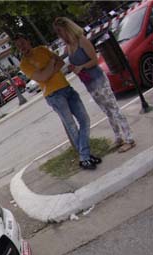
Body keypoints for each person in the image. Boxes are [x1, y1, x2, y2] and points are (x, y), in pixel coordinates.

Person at [14, 35, 101, 170]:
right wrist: (51, 63)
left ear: (28, 41)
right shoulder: (24, 64)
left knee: (85, 120)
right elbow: (42, 77)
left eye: (23, 43)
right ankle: (85, 157)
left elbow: (60, 62)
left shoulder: (42, 49)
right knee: (71, 126)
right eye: (18, 46)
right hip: (53, 95)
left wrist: (48, 72)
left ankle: (85, 156)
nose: (22, 47)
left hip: (66, 88)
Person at [53, 17, 136, 153]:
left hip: (98, 79)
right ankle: (118, 136)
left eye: (60, 31)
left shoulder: (81, 40)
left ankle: (129, 138)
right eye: (57, 32)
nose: (59, 35)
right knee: (106, 111)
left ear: (67, 29)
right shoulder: (68, 47)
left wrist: (82, 66)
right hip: (88, 82)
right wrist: (74, 69)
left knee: (113, 108)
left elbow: (94, 60)